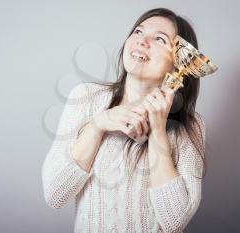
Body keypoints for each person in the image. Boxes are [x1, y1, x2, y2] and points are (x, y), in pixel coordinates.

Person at [42, 7, 206, 233]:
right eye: (138, 31)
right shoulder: (87, 98)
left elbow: (174, 221)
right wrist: (98, 125)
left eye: (159, 38)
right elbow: (55, 194)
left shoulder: (190, 126)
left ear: (179, 65)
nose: (142, 41)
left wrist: (158, 131)